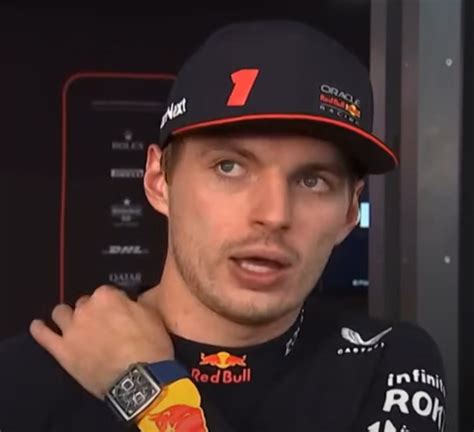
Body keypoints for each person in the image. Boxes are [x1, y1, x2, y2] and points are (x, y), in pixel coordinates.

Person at [0, 19, 446, 432]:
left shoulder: (386, 364)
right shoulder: (26, 380)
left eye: (312, 180)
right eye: (229, 167)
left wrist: (142, 386)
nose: (274, 214)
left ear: (350, 212)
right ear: (158, 181)